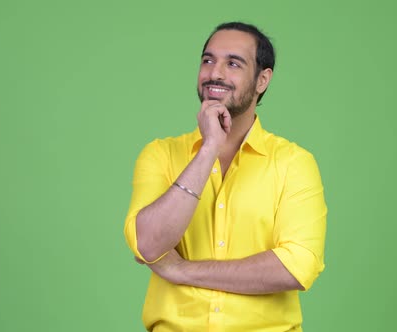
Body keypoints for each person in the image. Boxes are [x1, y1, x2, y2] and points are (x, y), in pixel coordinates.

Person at [124, 22, 327, 332]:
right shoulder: (160, 154)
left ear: (262, 80)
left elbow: (296, 267)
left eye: (233, 63)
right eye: (208, 60)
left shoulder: (294, 163)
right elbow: (148, 245)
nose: (214, 73)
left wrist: (183, 271)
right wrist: (208, 149)